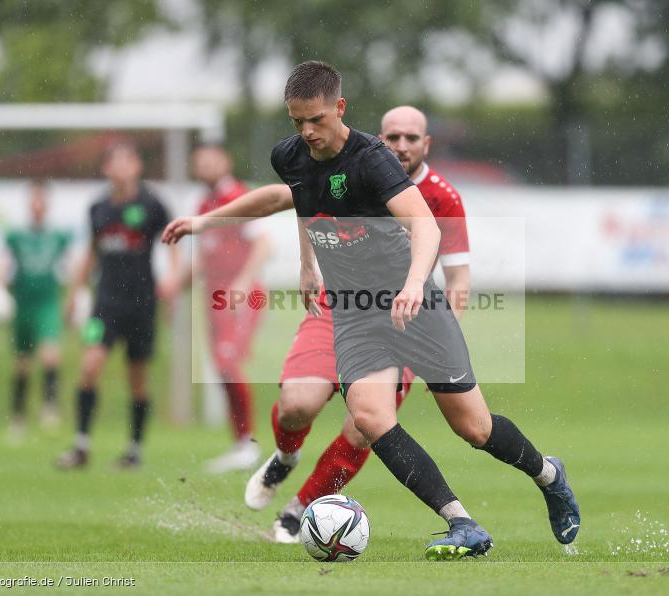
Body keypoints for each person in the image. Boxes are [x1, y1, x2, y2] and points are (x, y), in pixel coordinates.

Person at [164, 61, 579, 560]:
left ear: (339, 108)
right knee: (369, 416)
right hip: (354, 313)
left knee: (475, 428)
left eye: (316, 119)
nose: (307, 132)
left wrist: (412, 285)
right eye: (297, 121)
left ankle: (548, 474)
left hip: (412, 306)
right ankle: (461, 522)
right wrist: (210, 224)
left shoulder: (372, 159)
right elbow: (288, 198)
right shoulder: (290, 155)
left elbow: (424, 224)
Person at [166, 106, 471, 543]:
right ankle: (284, 456)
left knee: (364, 427)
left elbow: (458, 281)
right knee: (296, 405)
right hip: (339, 306)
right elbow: (283, 198)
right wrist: (208, 224)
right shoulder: (357, 167)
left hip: (403, 320)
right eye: (392, 137)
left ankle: (298, 511)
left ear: (427, 144)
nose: (401, 146)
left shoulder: (443, 199)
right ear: (377, 140)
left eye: (411, 138)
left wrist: (439, 349)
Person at [56, 142, 179, 470]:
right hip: (105, 302)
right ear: (106, 169)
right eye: (115, 161)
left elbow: (174, 242)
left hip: (142, 304)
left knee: (137, 378)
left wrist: (172, 280)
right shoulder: (98, 207)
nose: (122, 167)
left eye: (128, 160)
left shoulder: (152, 204)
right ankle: (81, 445)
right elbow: (92, 251)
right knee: (89, 366)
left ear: (137, 166)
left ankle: (134, 449)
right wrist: (73, 293)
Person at [186, 145, 271, 473]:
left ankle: (248, 444)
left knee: (227, 362)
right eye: (200, 161)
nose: (205, 166)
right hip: (214, 297)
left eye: (211, 160)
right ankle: (241, 444)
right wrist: (174, 284)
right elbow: (205, 253)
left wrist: (243, 282)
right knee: (222, 368)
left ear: (226, 162)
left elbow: (264, 243)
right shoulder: (204, 204)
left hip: (238, 297)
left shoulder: (238, 197)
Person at [0, 179, 71, 441]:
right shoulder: (16, 237)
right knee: (22, 364)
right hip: (23, 304)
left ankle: (49, 408)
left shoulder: (58, 237)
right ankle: (18, 417)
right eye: (34, 200)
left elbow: (72, 265)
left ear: (47, 205)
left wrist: (77, 296)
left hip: (47, 303)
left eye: (41, 200)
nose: (37, 205)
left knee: (50, 356)